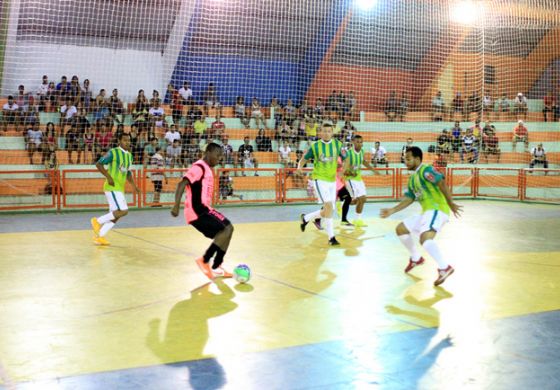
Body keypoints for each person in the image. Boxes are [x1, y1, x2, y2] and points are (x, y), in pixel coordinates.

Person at [380, 146, 462, 286]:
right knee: (401, 229)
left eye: (408, 159)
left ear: (417, 159)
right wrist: (392, 210)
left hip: (437, 209)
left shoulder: (426, 170)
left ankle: (444, 267)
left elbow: (441, 182)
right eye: (405, 159)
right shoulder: (412, 179)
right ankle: (416, 258)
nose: (406, 162)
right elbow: (409, 198)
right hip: (426, 212)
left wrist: (451, 203)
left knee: (425, 239)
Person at [170, 143, 234, 280]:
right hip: (198, 210)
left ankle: (217, 266)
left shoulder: (207, 169)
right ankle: (205, 261)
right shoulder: (199, 167)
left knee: (225, 232)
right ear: (208, 152)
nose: (219, 159)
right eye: (217, 156)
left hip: (205, 209)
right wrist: (176, 205)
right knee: (227, 229)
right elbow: (182, 184)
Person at [297, 123, 346, 246]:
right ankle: (331, 238)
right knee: (329, 206)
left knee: (329, 210)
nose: (326, 133)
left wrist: (343, 172)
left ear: (332, 132)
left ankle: (306, 218)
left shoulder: (338, 145)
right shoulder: (315, 146)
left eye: (329, 131)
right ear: (320, 132)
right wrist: (299, 167)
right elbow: (304, 158)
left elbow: (347, 159)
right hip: (319, 179)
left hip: (332, 181)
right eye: (324, 131)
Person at [90, 133, 140, 245]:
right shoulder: (114, 152)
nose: (127, 142)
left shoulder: (130, 156)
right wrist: (108, 177)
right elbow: (98, 164)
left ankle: (100, 236)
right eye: (125, 140)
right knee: (123, 211)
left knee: (116, 215)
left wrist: (134, 185)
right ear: (119, 141)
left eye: (129, 140)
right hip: (112, 186)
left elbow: (128, 172)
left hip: (119, 188)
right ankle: (97, 221)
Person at [343, 134, 374, 227]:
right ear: (353, 142)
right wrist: (350, 172)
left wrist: (373, 169)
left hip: (358, 179)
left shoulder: (362, 152)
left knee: (363, 199)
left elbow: (363, 161)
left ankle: (357, 220)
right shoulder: (348, 153)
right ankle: (342, 204)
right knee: (357, 199)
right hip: (350, 179)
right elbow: (344, 169)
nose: (359, 144)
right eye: (357, 142)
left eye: (361, 142)